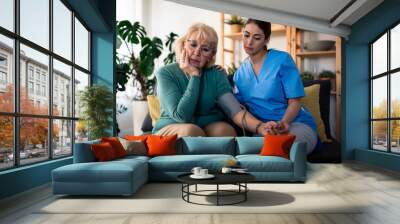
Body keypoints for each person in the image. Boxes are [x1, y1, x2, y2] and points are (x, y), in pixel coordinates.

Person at [153, 23, 268, 138]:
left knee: (225, 131)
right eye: (193, 45)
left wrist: (261, 127)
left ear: (212, 55)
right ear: (183, 45)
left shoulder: (216, 74)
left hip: (204, 129)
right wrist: (195, 76)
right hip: (172, 128)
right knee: (191, 131)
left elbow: (235, 111)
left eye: (205, 49)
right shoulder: (165, 73)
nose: (197, 52)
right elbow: (181, 116)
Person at [233, 19, 318, 154]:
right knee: (254, 151)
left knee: (281, 147)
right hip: (265, 131)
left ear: (266, 40)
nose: (249, 42)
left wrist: (284, 122)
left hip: (295, 124)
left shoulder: (282, 60)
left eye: (257, 38)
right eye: (246, 35)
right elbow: (239, 108)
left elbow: (295, 102)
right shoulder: (239, 74)